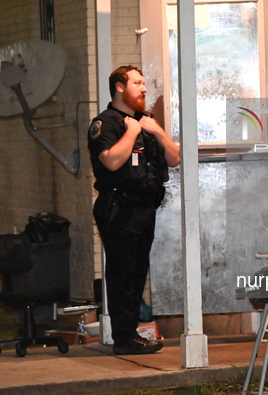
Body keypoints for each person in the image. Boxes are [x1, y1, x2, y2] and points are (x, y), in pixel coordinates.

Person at [88, 65, 180, 355]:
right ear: (119, 87)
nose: (143, 89)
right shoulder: (107, 123)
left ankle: (131, 334)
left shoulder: (146, 121)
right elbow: (112, 162)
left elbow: (175, 158)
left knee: (138, 272)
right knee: (123, 273)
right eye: (137, 83)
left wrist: (158, 132)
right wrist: (131, 132)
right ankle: (124, 339)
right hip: (119, 206)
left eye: (143, 84)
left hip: (144, 206)